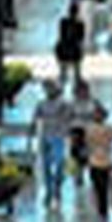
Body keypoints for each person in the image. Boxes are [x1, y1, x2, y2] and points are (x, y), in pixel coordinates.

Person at [33, 80, 76, 208]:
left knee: (59, 164)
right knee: (45, 166)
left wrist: (67, 129)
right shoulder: (41, 104)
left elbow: (71, 116)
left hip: (58, 137)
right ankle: (49, 191)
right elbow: (35, 118)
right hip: (45, 137)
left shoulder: (63, 104)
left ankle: (57, 188)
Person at [85, 104, 112, 219]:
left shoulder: (89, 129)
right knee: (105, 186)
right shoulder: (111, 129)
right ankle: (104, 206)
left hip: (94, 161)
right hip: (107, 161)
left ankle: (102, 206)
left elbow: (88, 144)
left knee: (98, 186)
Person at [55, 3, 86, 86]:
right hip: (75, 53)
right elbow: (81, 39)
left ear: (68, 11)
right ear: (77, 12)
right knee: (77, 68)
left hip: (62, 51)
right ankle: (77, 79)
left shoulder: (63, 22)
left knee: (63, 71)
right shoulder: (80, 24)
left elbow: (61, 35)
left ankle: (62, 78)